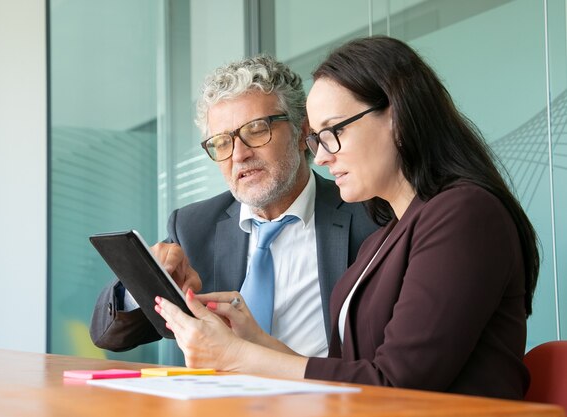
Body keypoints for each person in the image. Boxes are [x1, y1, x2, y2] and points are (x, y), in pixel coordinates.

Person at [154, 36, 540, 400]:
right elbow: (350, 371)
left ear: (398, 117)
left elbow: (394, 383)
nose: (321, 157)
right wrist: (254, 342)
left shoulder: (464, 215)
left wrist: (234, 357)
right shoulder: (386, 235)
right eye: (318, 139)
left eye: (334, 131)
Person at [90, 55, 378, 358]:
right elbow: (109, 335)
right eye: (222, 142)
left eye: (256, 130)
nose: (239, 155)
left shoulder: (368, 216)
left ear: (302, 133)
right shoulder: (194, 226)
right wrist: (145, 280)